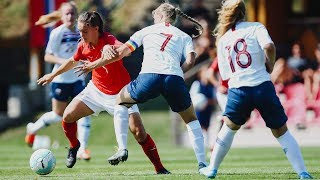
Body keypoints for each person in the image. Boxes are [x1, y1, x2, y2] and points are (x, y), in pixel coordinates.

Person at [76, 2, 207, 172]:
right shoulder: (184, 36)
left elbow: (121, 53)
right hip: (174, 78)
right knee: (191, 120)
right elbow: (190, 61)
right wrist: (177, 74)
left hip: (149, 77)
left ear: (160, 16)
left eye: (154, 17)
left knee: (121, 102)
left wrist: (93, 64)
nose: (153, 20)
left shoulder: (145, 31)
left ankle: (122, 148)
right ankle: (202, 164)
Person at [37, 11, 170, 174]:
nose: (81, 35)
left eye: (84, 31)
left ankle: (160, 169)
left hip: (121, 94)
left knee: (139, 133)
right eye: (79, 31)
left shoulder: (108, 39)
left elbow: (123, 48)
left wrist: (109, 47)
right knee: (68, 116)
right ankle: (74, 146)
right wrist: (52, 75)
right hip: (96, 91)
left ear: (96, 29)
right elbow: (73, 61)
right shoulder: (83, 45)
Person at [199, 0, 313, 179]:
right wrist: (270, 65)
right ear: (244, 13)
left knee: (228, 129)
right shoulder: (256, 27)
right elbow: (269, 46)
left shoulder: (223, 39)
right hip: (262, 87)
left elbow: (226, 76)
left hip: (238, 91)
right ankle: (303, 173)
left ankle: (212, 169)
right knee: (281, 131)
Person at [25, 2, 92, 160]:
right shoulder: (57, 33)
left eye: (72, 13)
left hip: (78, 80)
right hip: (60, 80)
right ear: (62, 16)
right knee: (58, 115)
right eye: (66, 14)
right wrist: (67, 61)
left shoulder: (82, 32)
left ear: (76, 16)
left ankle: (82, 149)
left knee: (85, 113)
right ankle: (33, 129)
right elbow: (47, 56)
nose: (69, 16)